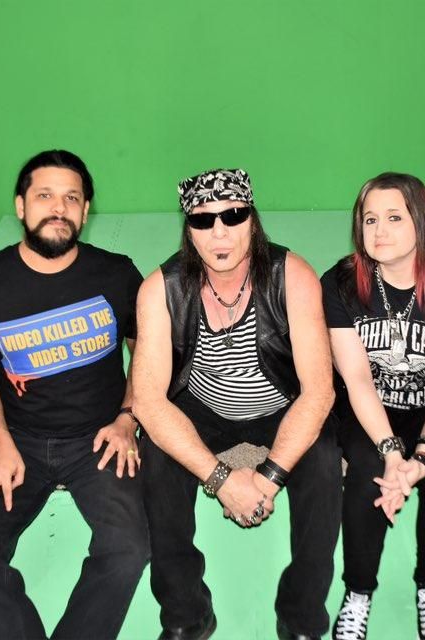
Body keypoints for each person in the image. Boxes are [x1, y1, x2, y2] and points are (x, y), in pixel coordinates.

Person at [0, 149, 149, 640]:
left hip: (100, 438)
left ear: (85, 210)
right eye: (44, 196)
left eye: (71, 198)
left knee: (129, 547)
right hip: (18, 439)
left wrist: (128, 418)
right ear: (21, 206)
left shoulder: (117, 274)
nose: (59, 208)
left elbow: (146, 354)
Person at [132, 168, 343, 640]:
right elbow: (147, 400)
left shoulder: (293, 276)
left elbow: (319, 391)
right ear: (189, 229)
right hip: (201, 407)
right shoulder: (161, 289)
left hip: (280, 405)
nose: (220, 232)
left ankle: (302, 617)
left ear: (252, 219)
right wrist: (222, 480)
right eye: (203, 220)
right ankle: (186, 615)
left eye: (233, 215)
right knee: (157, 458)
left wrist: (268, 478)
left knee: (324, 461)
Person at [321, 173, 425, 640]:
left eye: (394, 217)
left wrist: (423, 459)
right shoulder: (340, 284)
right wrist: (393, 455)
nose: (379, 230)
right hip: (368, 407)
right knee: (366, 473)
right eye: (370, 219)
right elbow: (356, 379)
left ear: (422, 223)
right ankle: (358, 591)